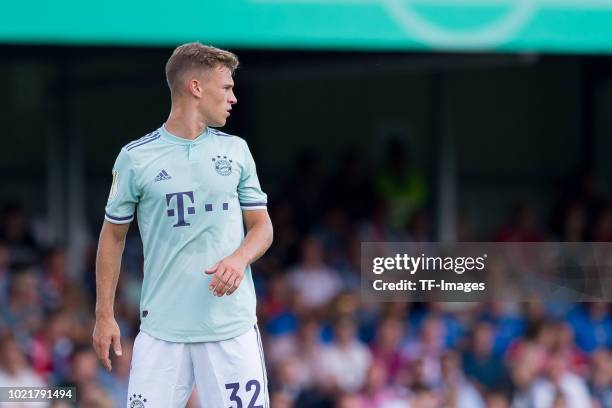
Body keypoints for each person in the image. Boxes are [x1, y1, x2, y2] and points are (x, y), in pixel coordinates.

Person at [92, 42, 273, 407]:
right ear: (195, 87)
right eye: (226, 88)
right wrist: (103, 314)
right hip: (162, 332)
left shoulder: (236, 151)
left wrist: (239, 260)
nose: (234, 98)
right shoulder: (136, 158)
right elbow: (112, 237)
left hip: (230, 329)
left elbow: (262, 226)